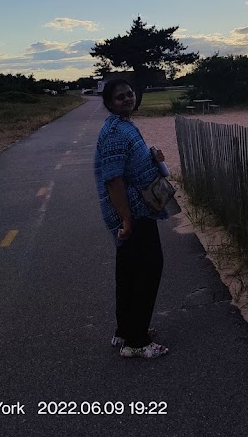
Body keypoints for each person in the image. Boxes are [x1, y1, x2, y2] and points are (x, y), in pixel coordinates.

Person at [94, 78, 169, 359]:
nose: (127, 99)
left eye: (129, 94)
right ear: (109, 102)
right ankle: (137, 342)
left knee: (129, 273)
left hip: (140, 210)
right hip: (134, 214)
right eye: (119, 97)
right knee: (147, 272)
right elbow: (113, 180)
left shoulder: (124, 125)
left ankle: (126, 330)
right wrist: (126, 220)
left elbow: (125, 165)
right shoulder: (115, 131)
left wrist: (152, 158)